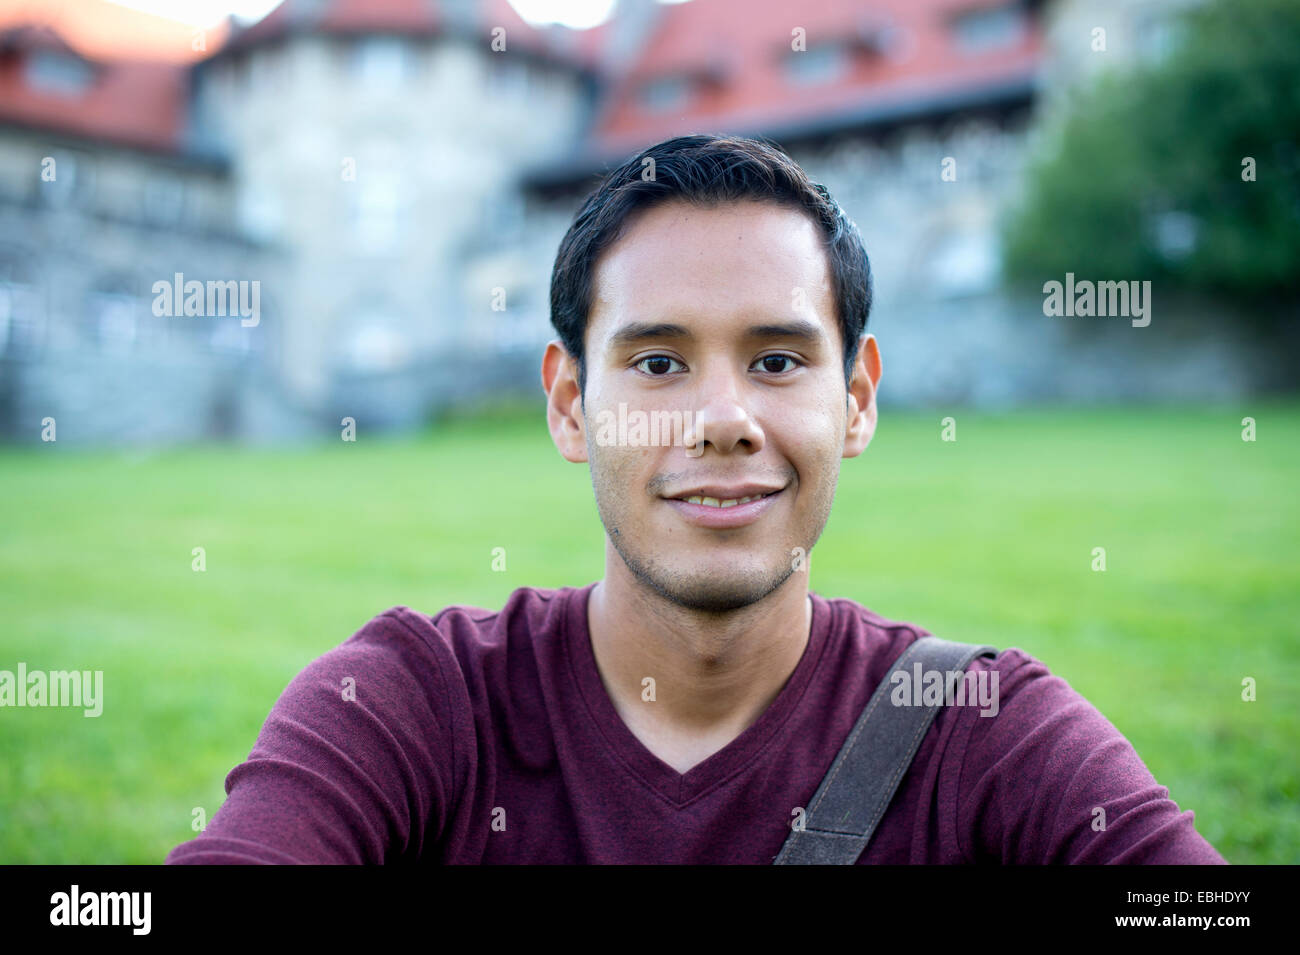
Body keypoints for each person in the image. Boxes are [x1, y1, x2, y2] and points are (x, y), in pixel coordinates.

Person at [166, 134, 1225, 864]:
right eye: (659, 363)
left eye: (775, 359)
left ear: (854, 401)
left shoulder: (983, 730)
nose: (722, 418)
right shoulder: (412, 704)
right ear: (572, 404)